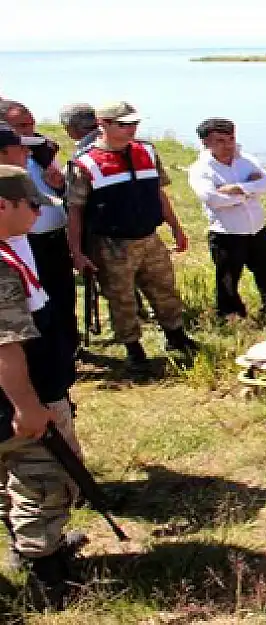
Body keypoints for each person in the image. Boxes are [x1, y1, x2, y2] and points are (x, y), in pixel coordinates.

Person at [0, 165, 83, 608]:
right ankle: (48, 575)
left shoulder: (9, 250)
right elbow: (5, 346)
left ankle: (25, 550)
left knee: (11, 482)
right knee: (45, 481)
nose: (36, 213)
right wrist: (27, 405)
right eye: (30, 205)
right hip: (19, 399)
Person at [64, 101, 197, 370]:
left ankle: (176, 336)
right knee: (121, 299)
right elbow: (74, 211)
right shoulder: (85, 163)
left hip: (149, 236)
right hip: (111, 243)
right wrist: (76, 253)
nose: (131, 129)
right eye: (124, 124)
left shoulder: (147, 151)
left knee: (165, 289)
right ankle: (134, 350)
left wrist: (176, 228)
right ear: (103, 124)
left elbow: (159, 193)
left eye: (134, 124)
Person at [187, 118, 266, 320]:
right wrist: (250, 191)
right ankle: (231, 316)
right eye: (221, 141)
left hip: (257, 229)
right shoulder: (201, 169)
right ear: (206, 143)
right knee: (228, 279)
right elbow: (212, 198)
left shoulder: (246, 160)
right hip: (227, 233)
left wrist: (237, 189)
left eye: (231, 139)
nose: (228, 145)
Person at [2, 106, 79, 359]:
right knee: (34, 297)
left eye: (30, 123)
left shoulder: (43, 151)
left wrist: (58, 186)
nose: (29, 131)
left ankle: (69, 347)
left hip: (54, 236)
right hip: (25, 240)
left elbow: (62, 193)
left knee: (63, 294)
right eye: (21, 127)